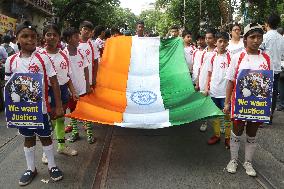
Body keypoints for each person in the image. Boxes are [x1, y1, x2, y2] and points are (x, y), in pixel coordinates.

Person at [5, 20, 63, 186]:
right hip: (22, 111)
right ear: (17, 38)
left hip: (41, 109)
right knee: (28, 138)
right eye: (25, 36)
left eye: (33, 36)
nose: (30, 40)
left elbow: (54, 82)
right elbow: (8, 86)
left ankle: (52, 166)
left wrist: (58, 106)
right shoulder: (11, 61)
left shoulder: (43, 58)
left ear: (37, 39)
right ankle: (31, 168)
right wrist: (10, 109)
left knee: (45, 137)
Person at [224, 23, 271, 177]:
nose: (256, 40)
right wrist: (226, 102)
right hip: (240, 104)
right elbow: (230, 81)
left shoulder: (266, 58)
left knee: (252, 133)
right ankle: (234, 160)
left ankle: (248, 162)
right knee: (237, 131)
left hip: (257, 105)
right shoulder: (238, 57)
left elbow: (268, 83)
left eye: (259, 37)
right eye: (252, 37)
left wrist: (268, 105)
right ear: (245, 40)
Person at [41, 24, 78, 162]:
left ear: (59, 37)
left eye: (54, 35)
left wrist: (72, 91)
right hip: (47, 92)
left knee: (61, 119)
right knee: (50, 122)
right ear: (44, 37)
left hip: (62, 91)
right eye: (48, 34)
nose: (51, 37)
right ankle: (47, 151)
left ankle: (62, 146)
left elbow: (67, 76)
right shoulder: (39, 55)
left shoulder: (63, 54)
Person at [62, 27, 95, 144]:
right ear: (68, 39)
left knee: (87, 112)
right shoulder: (63, 55)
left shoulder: (81, 52)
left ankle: (90, 134)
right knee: (73, 111)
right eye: (76, 37)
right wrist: (71, 91)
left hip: (83, 89)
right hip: (71, 91)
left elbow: (86, 69)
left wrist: (87, 85)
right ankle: (75, 132)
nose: (78, 39)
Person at [204, 32, 231, 149]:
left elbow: (232, 78)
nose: (222, 44)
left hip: (225, 93)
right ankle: (216, 135)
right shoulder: (212, 57)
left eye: (225, 41)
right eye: (220, 41)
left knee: (226, 117)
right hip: (214, 91)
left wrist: (230, 96)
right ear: (216, 42)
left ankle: (228, 138)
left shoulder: (231, 57)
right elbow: (209, 74)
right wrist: (206, 88)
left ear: (227, 43)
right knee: (215, 116)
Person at [261, 14, 284, 116]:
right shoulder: (281, 38)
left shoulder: (264, 37)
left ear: (267, 24)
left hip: (265, 69)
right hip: (277, 69)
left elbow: (260, 51)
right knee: (274, 94)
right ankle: (270, 116)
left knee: (263, 93)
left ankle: (262, 115)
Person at [195, 28, 217, 132]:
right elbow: (200, 68)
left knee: (215, 103)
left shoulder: (218, 51)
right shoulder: (203, 52)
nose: (208, 40)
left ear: (214, 39)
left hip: (215, 80)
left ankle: (219, 124)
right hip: (204, 79)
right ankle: (204, 122)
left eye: (210, 38)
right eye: (206, 38)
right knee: (204, 102)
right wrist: (198, 82)